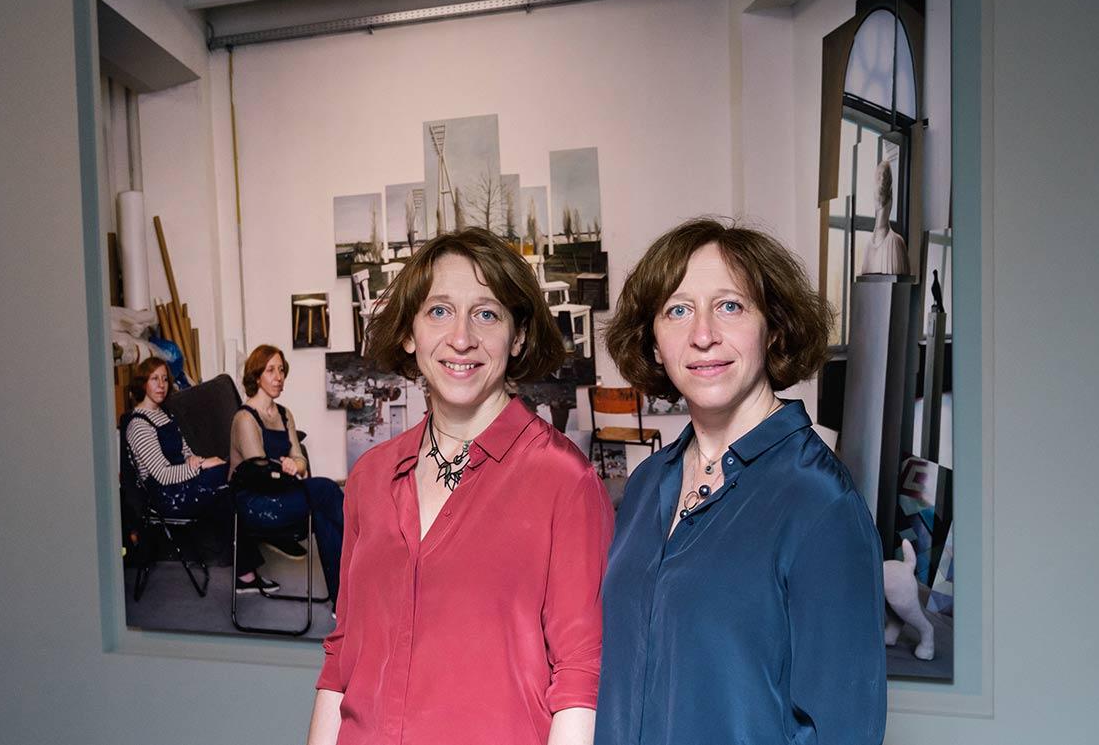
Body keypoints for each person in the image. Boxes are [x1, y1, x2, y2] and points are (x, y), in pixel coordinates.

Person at [307, 228, 614, 745]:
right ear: (409, 333)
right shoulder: (371, 476)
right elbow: (342, 655)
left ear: (517, 337)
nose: (462, 338)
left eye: (487, 313)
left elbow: (581, 678)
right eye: (439, 311)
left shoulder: (565, 481)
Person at [596, 219, 886, 745]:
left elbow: (842, 729)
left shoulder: (818, 501)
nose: (703, 334)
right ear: (654, 342)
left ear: (772, 327)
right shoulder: (644, 487)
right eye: (677, 311)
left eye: (730, 306)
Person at [122, 357, 265, 587]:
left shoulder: (164, 414)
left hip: (184, 483)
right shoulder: (138, 424)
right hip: (167, 496)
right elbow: (162, 475)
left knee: (231, 483)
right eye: (154, 379)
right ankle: (251, 565)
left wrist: (196, 460)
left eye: (165, 379)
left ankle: (246, 572)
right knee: (232, 476)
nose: (162, 385)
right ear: (142, 383)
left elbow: (186, 451)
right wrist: (201, 465)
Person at [229, 345, 344, 599]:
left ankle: (342, 600)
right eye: (270, 370)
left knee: (324, 511)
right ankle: (370, 549)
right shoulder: (245, 418)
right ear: (256, 376)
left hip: (282, 492)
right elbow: (259, 474)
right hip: (256, 505)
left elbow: (299, 459)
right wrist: (287, 468)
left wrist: (294, 466)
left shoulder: (284, 414)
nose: (278, 376)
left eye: (281, 370)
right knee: (326, 489)